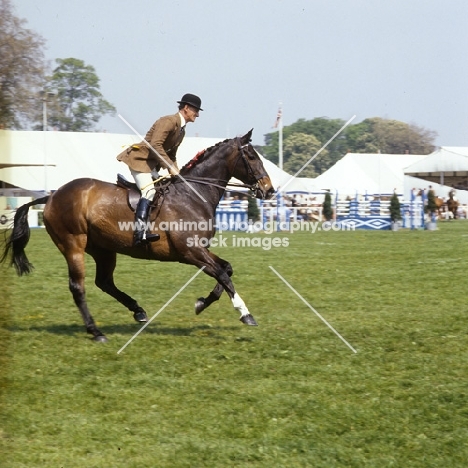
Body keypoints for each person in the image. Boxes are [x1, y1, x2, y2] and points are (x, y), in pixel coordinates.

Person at [117, 93, 203, 246]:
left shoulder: (182, 130)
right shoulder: (168, 121)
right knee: (149, 191)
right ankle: (140, 233)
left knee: (166, 189)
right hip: (140, 161)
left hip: (151, 164)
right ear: (186, 108)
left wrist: (178, 172)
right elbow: (155, 145)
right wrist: (170, 167)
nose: (197, 115)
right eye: (196, 110)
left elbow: (172, 154)